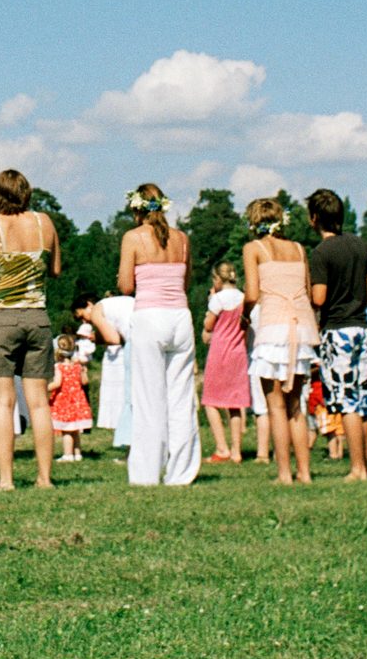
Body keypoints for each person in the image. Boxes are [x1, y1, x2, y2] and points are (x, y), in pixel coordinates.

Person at [0, 167, 60, 491]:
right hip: (37, 316)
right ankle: (45, 478)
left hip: (0, 319)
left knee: (4, 403)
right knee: (38, 403)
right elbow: (56, 268)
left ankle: (6, 480)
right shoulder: (44, 223)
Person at [119, 183, 198, 487]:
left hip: (150, 316)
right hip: (180, 316)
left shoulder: (133, 238)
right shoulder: (182, 239)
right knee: (181, 397)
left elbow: (126, 286)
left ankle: (146, 474)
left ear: (136, 208)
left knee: (149, 398)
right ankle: (181, 473)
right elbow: (186, 281)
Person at [241, 196, 317, 486]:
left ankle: (284, 473)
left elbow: (251, 293)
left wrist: (244, 316)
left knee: (275, 406)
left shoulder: (254, 249)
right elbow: (308, 291)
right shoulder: (298, 249)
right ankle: (305, 473)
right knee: (296, 405)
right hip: (301, 328)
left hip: (273, 328)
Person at [307, 189, 367, 482]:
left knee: (346, 401)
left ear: (315, 218)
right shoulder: (359, 245)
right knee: (364, 400)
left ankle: (356, 468)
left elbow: (319, 298)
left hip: (337, 328)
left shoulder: (322, 253)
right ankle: (366, 465)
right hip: (362, 325)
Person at [201, 262, 251, 463]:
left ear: (218, 279)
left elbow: (208, 324)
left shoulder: (218, 299)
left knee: (210, 401)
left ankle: (222, 448)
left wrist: (211, 301)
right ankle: (236, 450)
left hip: (220, 351)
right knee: (235, 403)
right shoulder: (243, 298)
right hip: (239, 352)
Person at [78, 290, 137, 457]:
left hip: (135, 344)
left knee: (131, 398)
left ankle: (130, 448)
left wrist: (96, 338)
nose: (84, 320)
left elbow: (114, 339)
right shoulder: (120, 302)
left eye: (81, 315)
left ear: (88, 305)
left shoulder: (98, 309)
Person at [49, 333, 91, 457]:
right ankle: (77, 453)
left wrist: (45, 388)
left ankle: (67, 455)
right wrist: (84, 371)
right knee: (75, 430)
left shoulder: (59, 367)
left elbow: (57, 383)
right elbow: (85, 382)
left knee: (67, 431)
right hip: (78, 402)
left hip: (65, 402)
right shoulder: (78, 367)